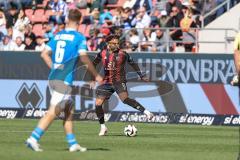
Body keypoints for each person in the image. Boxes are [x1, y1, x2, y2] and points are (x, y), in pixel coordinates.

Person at [25, 9, 103, 152]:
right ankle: (33, 138)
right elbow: (84, 57)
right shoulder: (79, 37)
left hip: (54, 78)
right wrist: (96, 75)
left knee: (69, 110)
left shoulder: (58, 35)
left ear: (67, 19)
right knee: (53, 112)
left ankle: (72, 143)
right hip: (63, 81)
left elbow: (44, 54)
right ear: (80, 22)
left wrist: (55, 68)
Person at [90, 34, 154, 136]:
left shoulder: (123, 54)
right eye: (114, 43)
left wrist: (141, 75)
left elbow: (133, 63)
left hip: (119, 81)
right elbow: (93, 64)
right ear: (108, 44)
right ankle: (103, 127)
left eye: (117, 43)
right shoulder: (102, 53)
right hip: (106, 82)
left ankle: (146, 112)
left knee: (125, 99)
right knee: (98, 103)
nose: (116, 45)